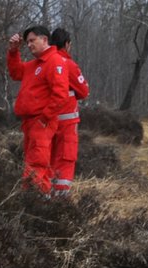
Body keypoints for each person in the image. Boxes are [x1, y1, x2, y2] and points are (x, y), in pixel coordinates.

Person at [6, 26, 72, 196]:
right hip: (30, 122)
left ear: (44, 40)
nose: (29, 45)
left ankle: (32, 201)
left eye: (32, 40)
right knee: (36, 163)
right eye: (27, 42)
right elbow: (15, 73)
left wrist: (44, 118)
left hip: (41, 122)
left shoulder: (54, 61)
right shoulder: (34, 64)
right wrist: (14, 52)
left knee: (36, 164)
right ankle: (42, 200)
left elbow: (60, 94)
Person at [47, 28, 90, 198]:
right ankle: (61, 198)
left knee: (46, 157)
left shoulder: (44, 62)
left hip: (45, 120)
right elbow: (84, 90)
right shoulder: (67, 64)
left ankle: (44, 193)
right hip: (66, 121)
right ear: (67, 44)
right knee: (66, 158)